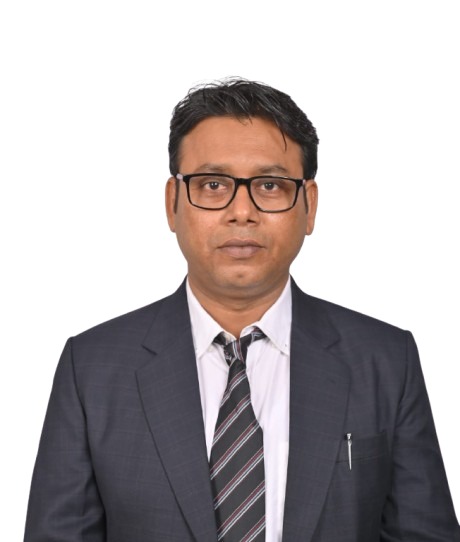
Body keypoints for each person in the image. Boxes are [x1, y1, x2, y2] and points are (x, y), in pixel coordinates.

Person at [24, 78, 459, 542]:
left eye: (269, 185)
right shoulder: (92, 368)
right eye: (213, 185)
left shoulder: (384, 360)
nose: (241, 212)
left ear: (309, 206)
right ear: (172, 203)